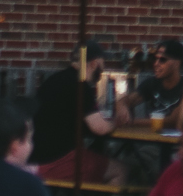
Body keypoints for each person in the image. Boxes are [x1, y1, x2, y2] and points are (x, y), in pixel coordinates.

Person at [30, 53, 123, 187]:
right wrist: (115, 122)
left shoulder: (54, 79)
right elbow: (100, 128)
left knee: (94, 160)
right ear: (94, 63)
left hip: (36, 159)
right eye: (102, 66)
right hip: (58, 161)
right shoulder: (80, 85)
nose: (102, 71)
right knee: (121, 170)